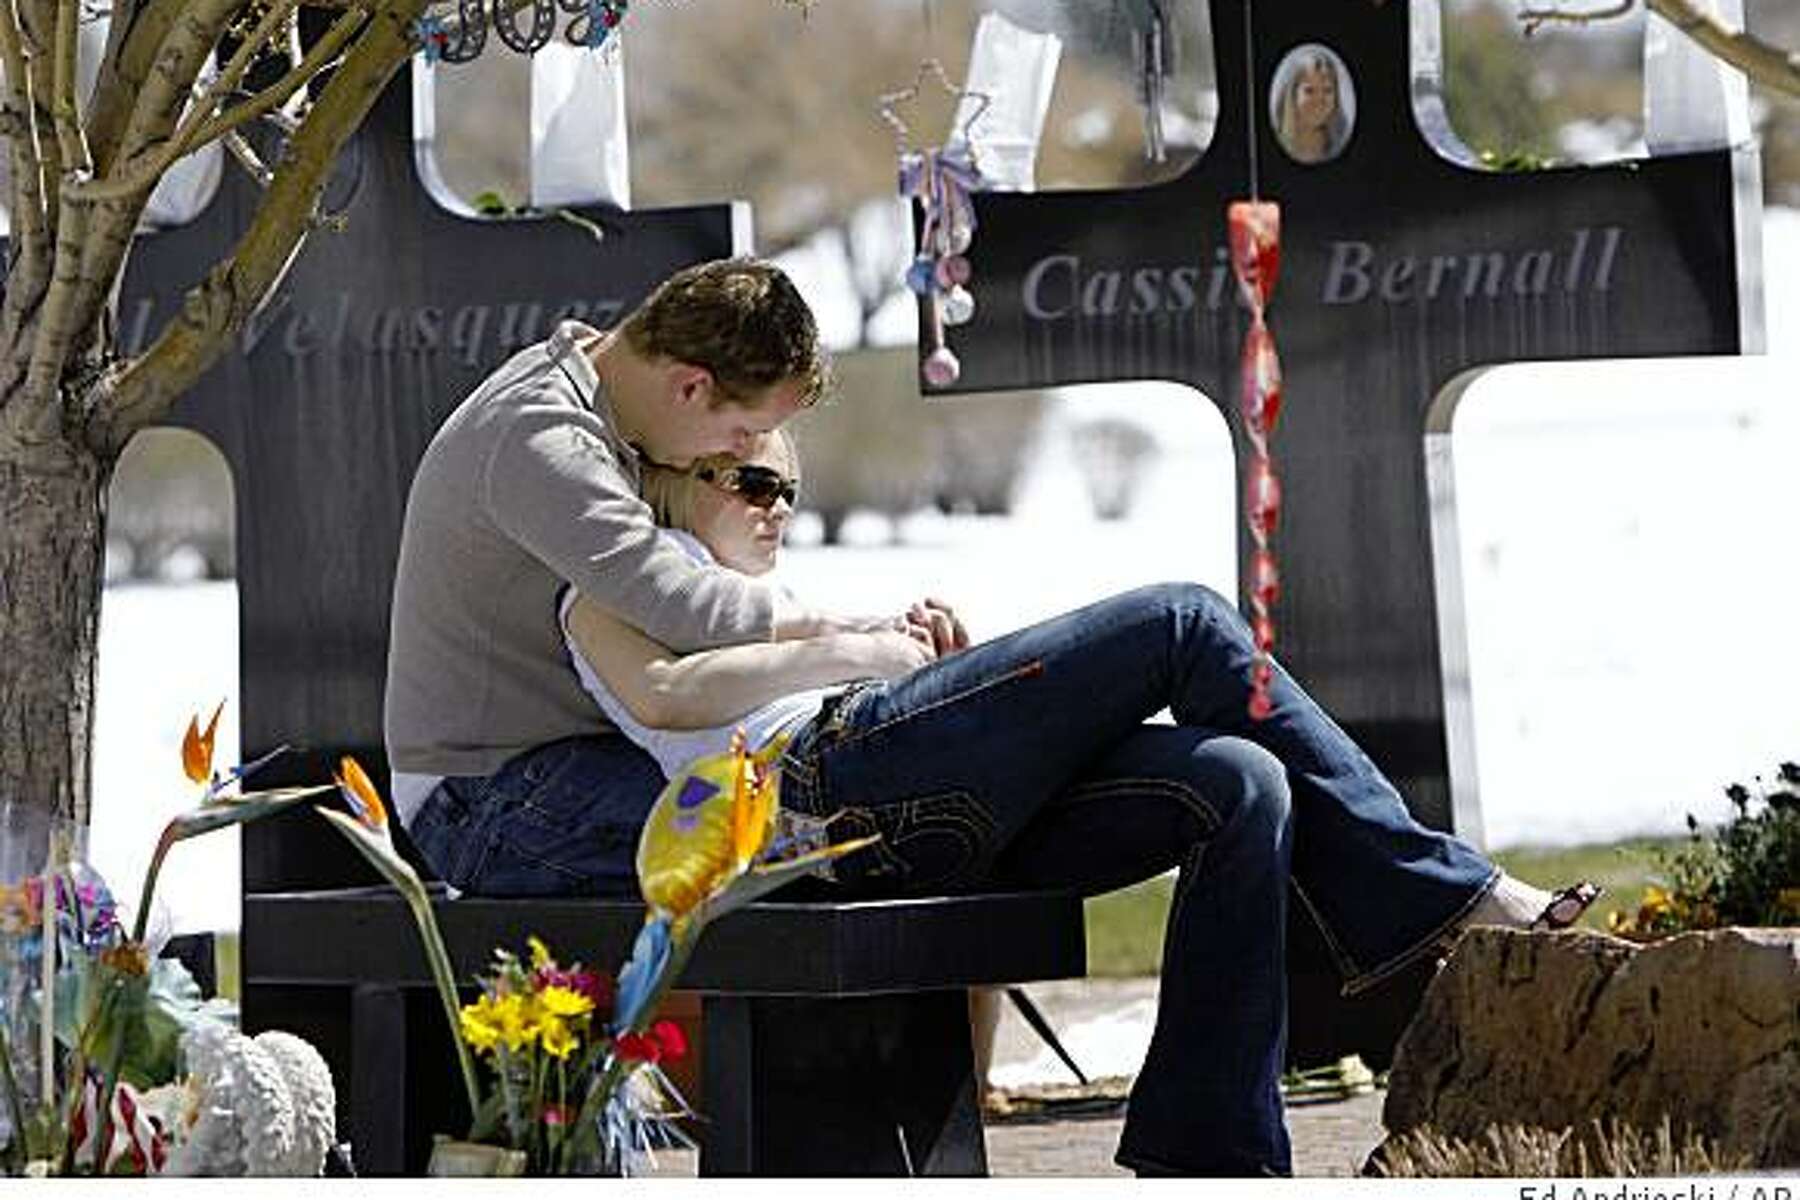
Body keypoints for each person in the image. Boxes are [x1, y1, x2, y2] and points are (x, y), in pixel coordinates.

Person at [557, 430, 1600, 1177]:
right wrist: (860, 650)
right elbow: (668, 696)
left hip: (903, 784)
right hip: (815, 793)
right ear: (673, 477)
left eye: (788, 487)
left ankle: (1211, 1152)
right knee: (1186, 621)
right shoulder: (616, 587)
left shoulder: (769, 592)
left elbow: (831, 666)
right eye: (746, 478)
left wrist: (902, 652)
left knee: (1241, 781)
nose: (774, 504)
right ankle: (1440, 895)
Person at [385, 257, 945, 896]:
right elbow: (675, 602)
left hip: (583, 758)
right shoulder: (543, 438)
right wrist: (852, 639)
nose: (738, 452)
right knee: (813, 845)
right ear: (690, 388)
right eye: (743, 432)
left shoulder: (589, 399)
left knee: (843, 827)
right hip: (483, 794)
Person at [1273, 48, 1350, 165]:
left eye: (1327, 90)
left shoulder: (1342, 142)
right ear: (1292, 95)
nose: (1320, 100)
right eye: (1309, 91)